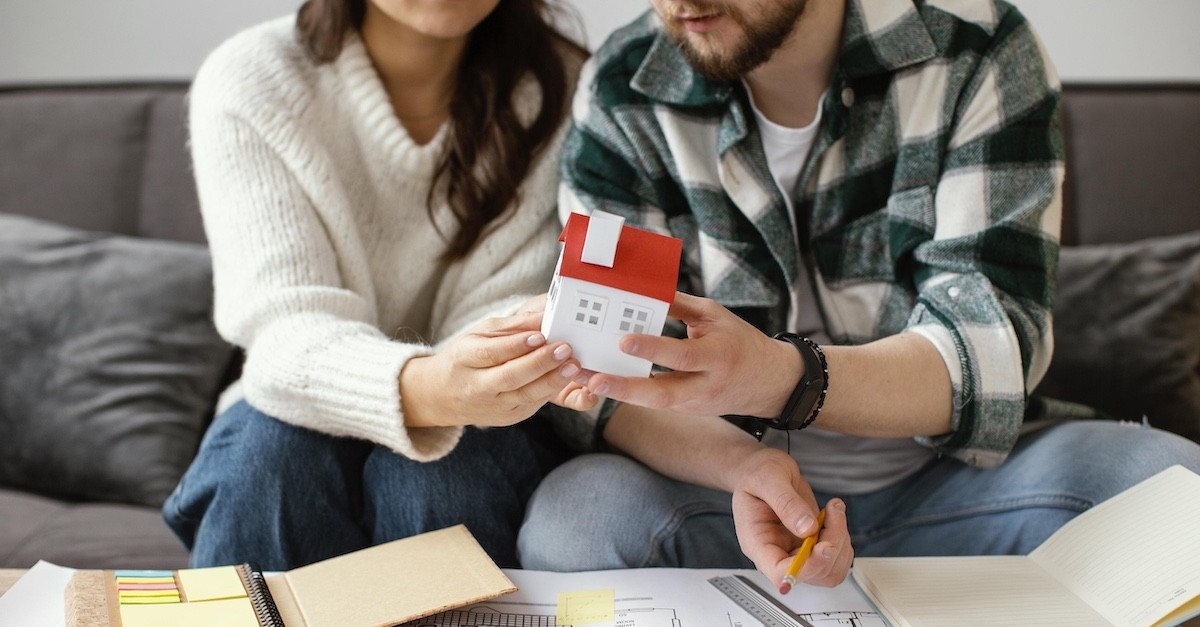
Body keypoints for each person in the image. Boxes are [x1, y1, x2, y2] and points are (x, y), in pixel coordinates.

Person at [517, 0, 1200, 592]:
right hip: (723, 490)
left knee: (1177, 494)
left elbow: (991, 350)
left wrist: (781, 377)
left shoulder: (976, 46)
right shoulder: (626, 81)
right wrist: (749, 466)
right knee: (576, 521)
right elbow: (610, 383)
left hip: (961, 482)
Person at [162, 0, 593, 570]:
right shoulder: (253, 78)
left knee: (442, 475)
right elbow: (284, 330)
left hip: (491, 416)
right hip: (301, 392)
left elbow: (516, 313)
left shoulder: (566, 88)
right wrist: (430, 387)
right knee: (266, 459)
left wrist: (460, 390)